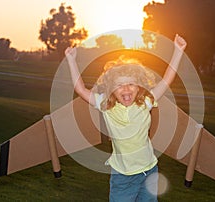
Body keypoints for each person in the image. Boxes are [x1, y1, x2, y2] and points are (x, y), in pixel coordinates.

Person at [65, 34, 186, 202]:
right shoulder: (105, 104)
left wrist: (178, 51)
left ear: (139, 86)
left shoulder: (146, 102)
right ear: (111, 89)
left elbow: (166, 81)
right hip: (123, 177)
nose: (126, 89)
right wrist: (71, 60)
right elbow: (80, 89)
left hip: (149, 172)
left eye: (131, 84)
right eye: (119, 85)